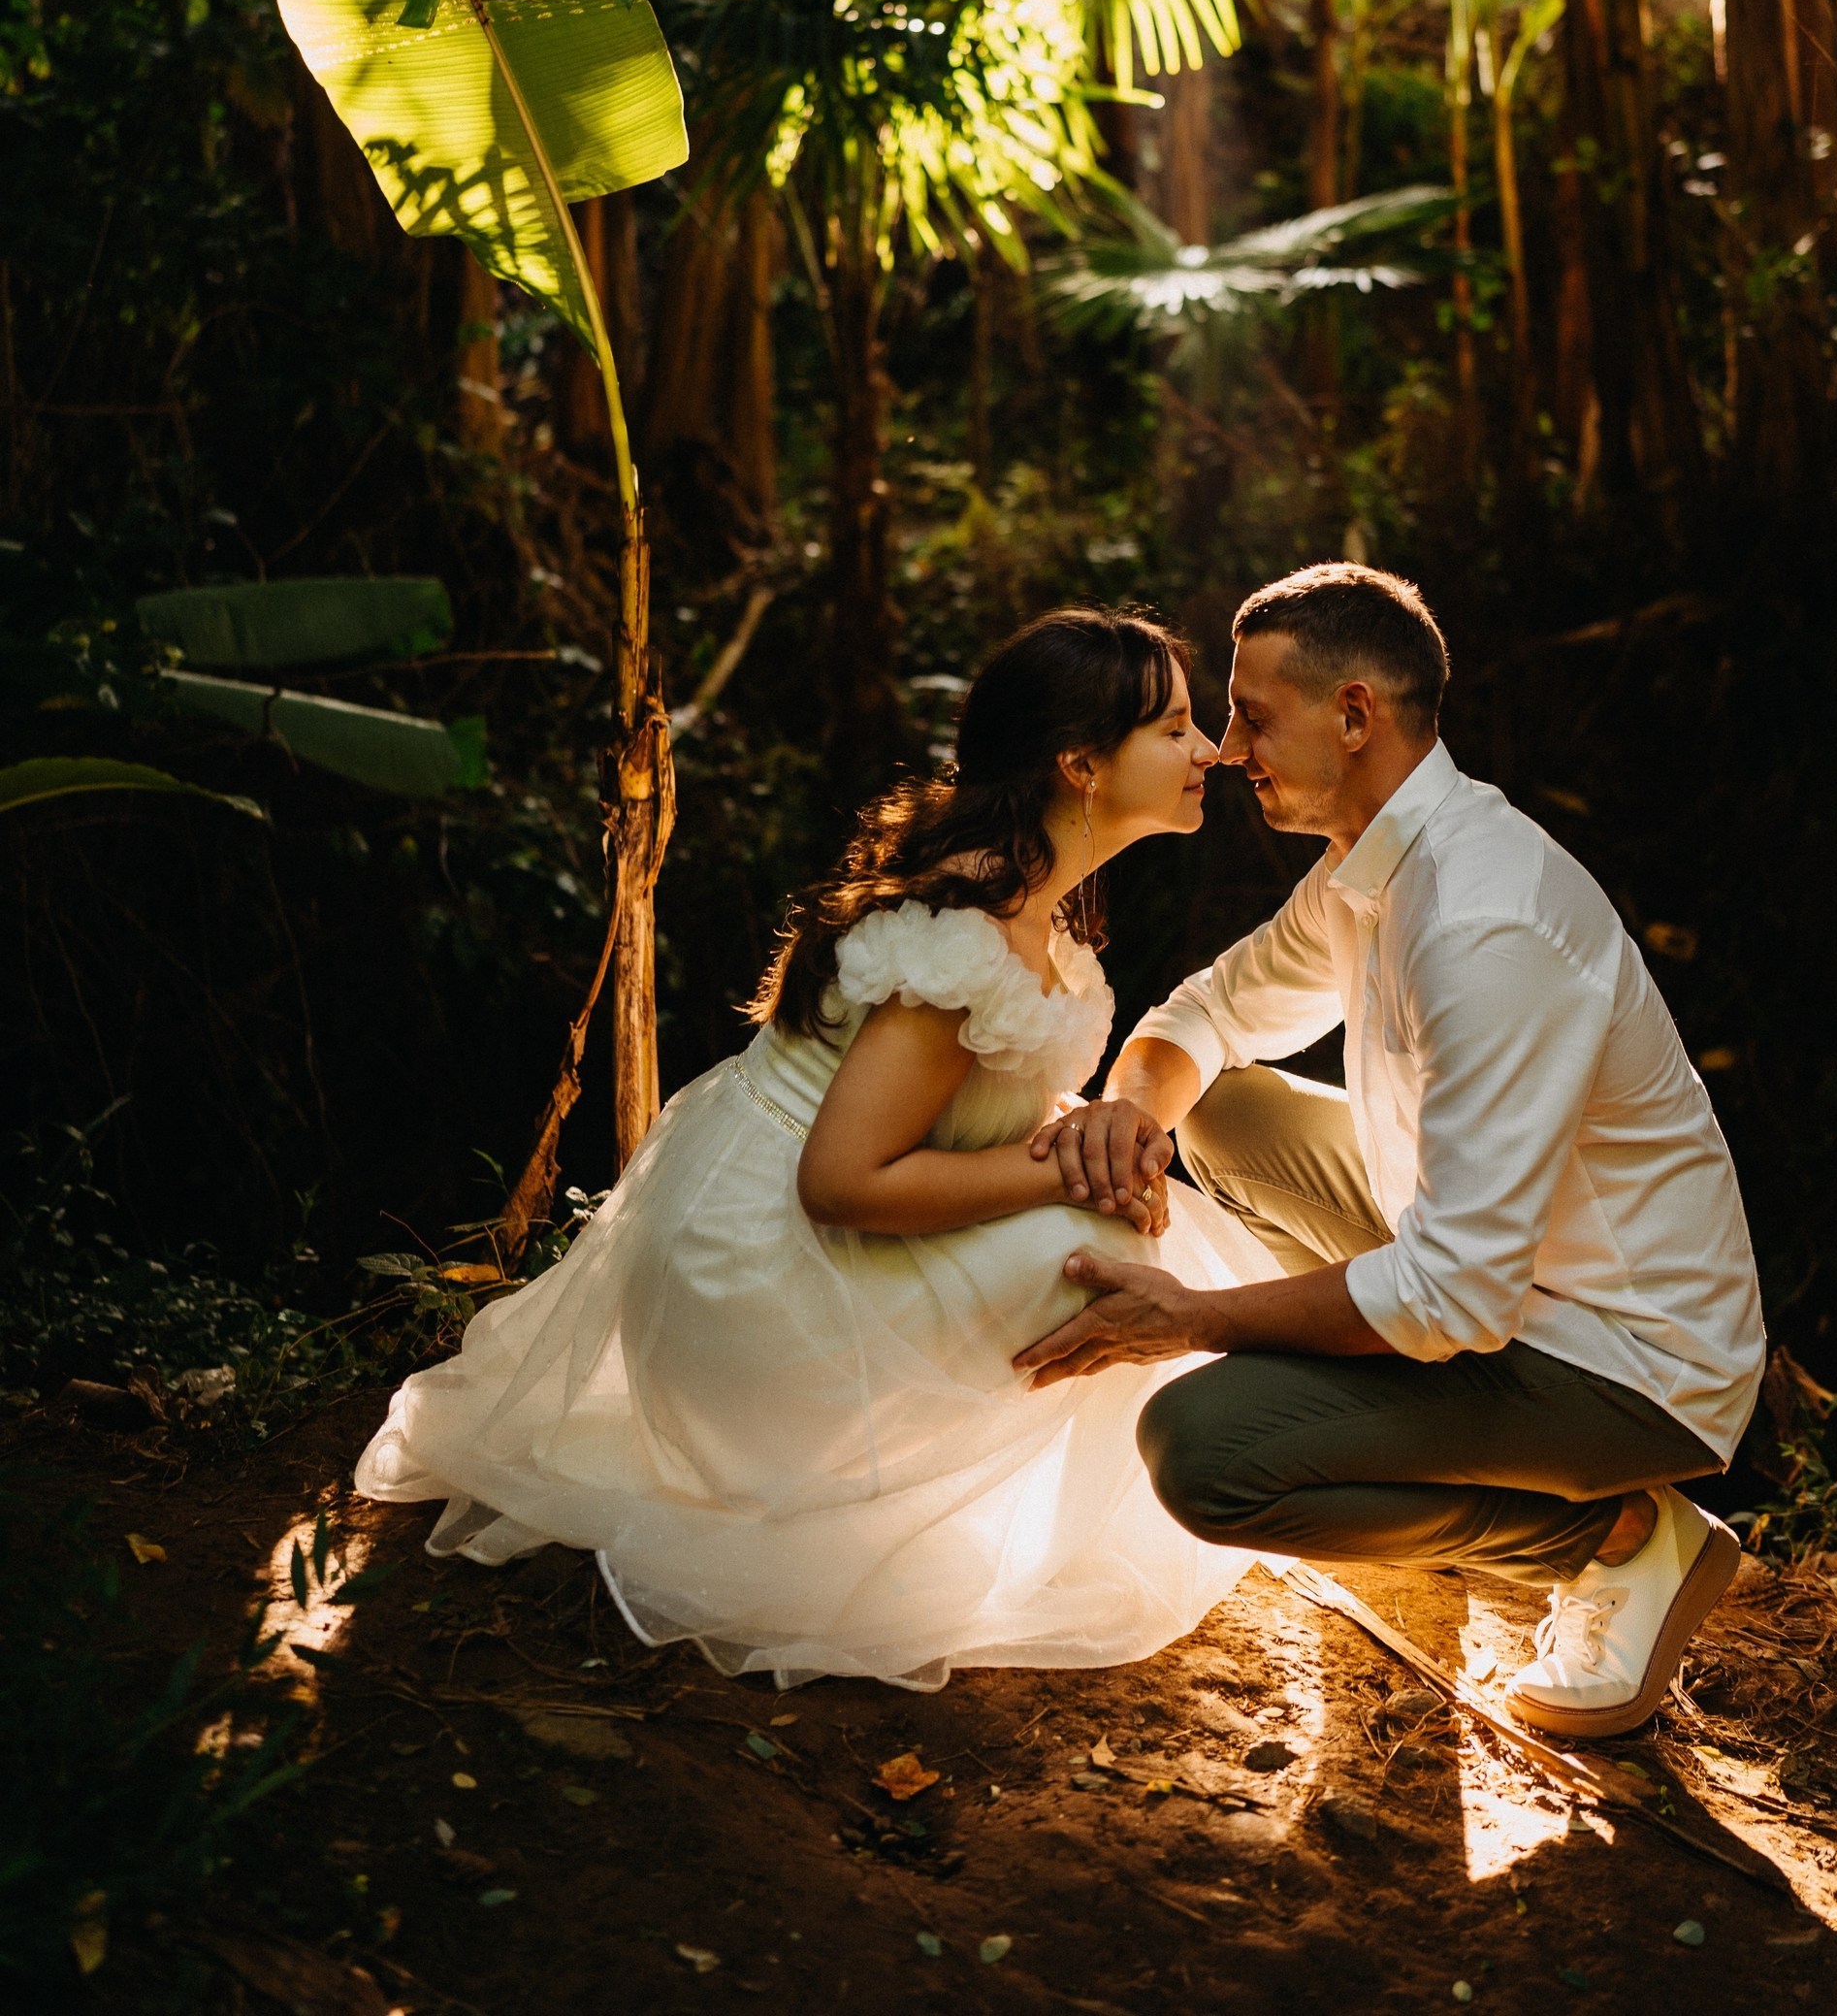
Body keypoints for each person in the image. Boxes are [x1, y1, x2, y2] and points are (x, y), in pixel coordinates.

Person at [355, 607, 1280, 1690]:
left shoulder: (1031, 889)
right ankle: (895, 1499)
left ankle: (972, 1493)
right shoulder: (965, 934)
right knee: (1093, 1245)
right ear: (1080, 763)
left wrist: (1080, 1140)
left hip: (801, 1249)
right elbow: (840, 1182)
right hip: (758, 1286)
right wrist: (1060, 1163)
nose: (1207, 751)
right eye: (1174, 728)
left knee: (1148, 1221)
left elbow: (974, 1107)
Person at [1016, 563, 1765, 1742]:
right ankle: (1404, 1423)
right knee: (1224, 1109)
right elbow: (1206, 1015)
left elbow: (1455, 1290)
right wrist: (1131, 1112)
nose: (1222, 748)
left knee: (1200, 1451)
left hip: (1625, 1355)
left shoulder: (1481, 919)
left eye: (1251, 715)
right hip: (1495, 1274)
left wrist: (1191, 1320)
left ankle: (1620, 1536)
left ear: (1352, 713)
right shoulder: (1375, 866)